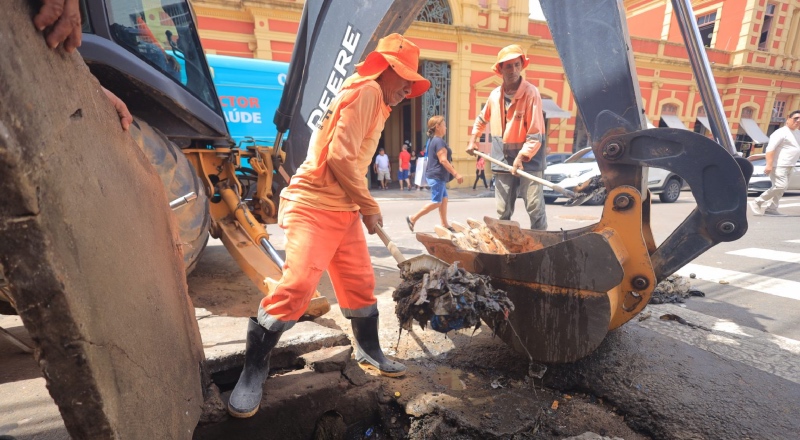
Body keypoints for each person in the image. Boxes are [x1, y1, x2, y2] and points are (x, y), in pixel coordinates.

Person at [227, 34, 430, 419]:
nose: (408, 87)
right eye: (403, 78)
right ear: (385, 70)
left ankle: (369, 350)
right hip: (313, 205)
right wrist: (369, 205)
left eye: (411, 81)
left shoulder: (378, 102)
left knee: (359, 283)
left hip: (343, 209)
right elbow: (338, 159)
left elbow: (351, 161)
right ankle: (253, 370)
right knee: (299, 285)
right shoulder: (368, 93)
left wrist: (361, 205)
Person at [466, 44, 547, 230]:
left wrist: (521, 157)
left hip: (529, 159)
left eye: (517, 65)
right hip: (501, 157)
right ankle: (506, 244)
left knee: (535, 207)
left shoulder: (531, 93)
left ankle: (541, 244)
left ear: (522, 66)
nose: (513, 70)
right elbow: (481, 118)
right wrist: (473, 139)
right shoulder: (495, 95)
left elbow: (535, 134)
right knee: (502, 210)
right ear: (500, 69)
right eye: (508, 66)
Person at [406, 116, 463, 232]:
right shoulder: (438, 141)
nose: (446, 127)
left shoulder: (432, 140)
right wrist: (456, 174)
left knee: (444, 199)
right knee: (437, 202)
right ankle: (412, 218)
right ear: (437, 127)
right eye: (444, 125)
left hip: (436, 175)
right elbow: (443, 160)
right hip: (437, 176)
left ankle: (444, 224)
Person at [748, 110, 800, 216]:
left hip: (790, 165)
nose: (798, 121)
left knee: (782, 188)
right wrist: (769, 165)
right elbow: (770, 149)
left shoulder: (797, 133)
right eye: (795, 118)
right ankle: (757, 201)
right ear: (788, 118)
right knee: (780, 186)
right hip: (779, 165)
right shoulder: (781, 132)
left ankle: (771, 209)